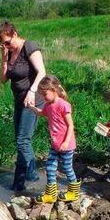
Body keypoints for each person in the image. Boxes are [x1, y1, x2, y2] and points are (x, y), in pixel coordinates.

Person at [0, 21, 47, 191]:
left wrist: (32, 91)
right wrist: (4, 58)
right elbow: (3, 80)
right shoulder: (8, 53)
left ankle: (32, 175)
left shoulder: (29, 47)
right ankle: (18, 185)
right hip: (19, 101)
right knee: (21, 143)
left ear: (15, 34)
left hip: (33, 100)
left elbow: (42, 72)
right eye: (2, 43)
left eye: (7, 42)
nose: (5, 46)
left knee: (23, 141)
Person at [27, 75, 80, 203]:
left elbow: (70, 125)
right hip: (55, 144)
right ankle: (50, 194)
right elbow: (41, 113)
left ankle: (73, 192)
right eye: (41, 95)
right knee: (50, 167)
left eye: (45, 94)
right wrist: (31, 107)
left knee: (67, 168)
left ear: (54, 90)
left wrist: (66, 142)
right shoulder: (48, 105)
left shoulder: (63, 105)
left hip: (67, 145)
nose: (43, 97)